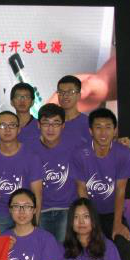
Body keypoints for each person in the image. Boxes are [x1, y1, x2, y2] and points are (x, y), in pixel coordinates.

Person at [74, 108, 130, 260]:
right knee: (88, 248)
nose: (103, 132)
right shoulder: (80, 154)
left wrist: (118, 224)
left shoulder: (124, 153)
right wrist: (90, 224)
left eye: (108, 127)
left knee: (123, 245)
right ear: (90, 130)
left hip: (113, 213)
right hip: (88, 213)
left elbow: (120, 191)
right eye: (98, 127)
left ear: (115, 130)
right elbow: (81, 190)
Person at [0, 111, 43, 234]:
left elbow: (37, 193)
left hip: (25, 213)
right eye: (2, 125)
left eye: (12, 125)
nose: (7, 129)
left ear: (19, 130)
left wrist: (34, 223)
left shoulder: (31, 157)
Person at [35, 103, 81, 242]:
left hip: (67, 209)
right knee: (43, 252)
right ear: (38, 125)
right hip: (40, 210)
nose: (50, 128)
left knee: (64, 252)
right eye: (46, 123)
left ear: (63, 126)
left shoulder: (75, 145)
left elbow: (99, 144)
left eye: (56, 123)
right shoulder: (29, 148)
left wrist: (119, 142)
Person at [12, 82, 41, 147]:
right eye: (18, 97)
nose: (22, 100)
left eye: (27, 97)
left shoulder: (41, 126)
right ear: (11, 102)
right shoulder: (7, 128)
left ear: (32, 102)